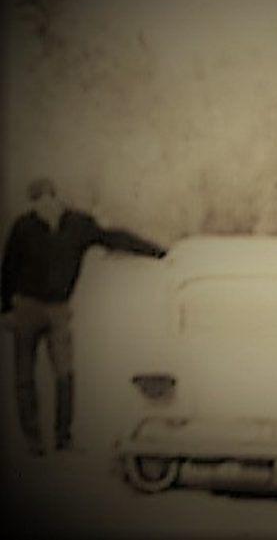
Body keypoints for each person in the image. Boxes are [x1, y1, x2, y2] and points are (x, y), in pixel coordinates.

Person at [1, 178, 167, 456]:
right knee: (23, 376)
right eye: (38, 203)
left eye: (48, 200)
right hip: (26, 307)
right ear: (33, 206)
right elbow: (8, 268)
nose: (45, 206)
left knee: (65, 374)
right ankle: (33, 440)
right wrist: (5, 309)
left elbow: (113, 238)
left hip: (59, 309)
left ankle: (63, 437)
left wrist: (157, 252)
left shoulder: (79, 224)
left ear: (57, 198)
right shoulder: (23, 227)